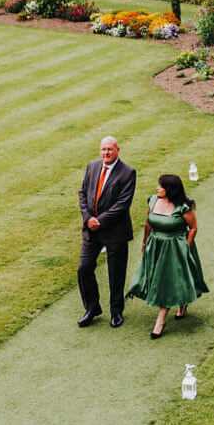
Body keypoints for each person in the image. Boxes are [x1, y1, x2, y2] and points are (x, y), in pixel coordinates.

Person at [126, 174, 208, 339]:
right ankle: (182, 304)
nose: (157, 188)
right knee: (159, 278)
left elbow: (193, 227)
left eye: (161, 186)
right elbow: (149, 222)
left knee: (166, 282)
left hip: (175, 247)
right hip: (155, 245)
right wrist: (144, 243)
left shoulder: (184, 207)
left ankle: (160, 321)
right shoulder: (153, 200)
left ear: (170, 190)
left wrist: (186, 246)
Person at [76, 136, 136, 328]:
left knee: (115, 273)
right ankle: (92, 308)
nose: (106, 153)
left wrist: (99, 221)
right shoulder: (92, 166)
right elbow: (83, 194)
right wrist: (88, 218)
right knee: (84, 269)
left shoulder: (127, 173)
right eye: (103, 149)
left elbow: (123, 204)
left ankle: (116, 312)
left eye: (110, 149)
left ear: (118, 150)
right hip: (91, 229)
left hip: (115, 230)